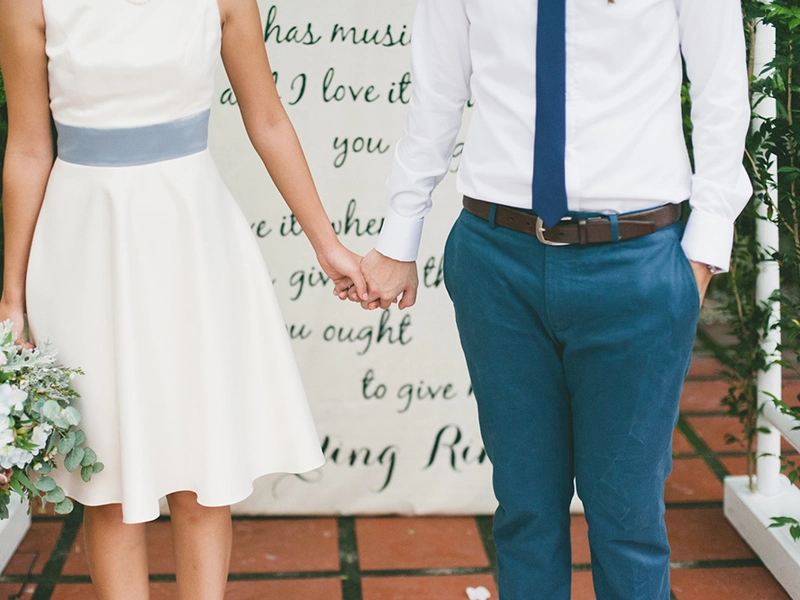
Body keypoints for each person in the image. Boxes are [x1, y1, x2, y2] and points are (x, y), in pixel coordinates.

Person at [349, 0, 752, 598]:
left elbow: (721, 88)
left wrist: (702, 250)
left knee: (628, 513)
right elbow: (436, 91)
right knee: (525, 506)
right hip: (497, 260)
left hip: (635, 262)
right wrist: (399, 236)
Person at [0, 0, 365, 598]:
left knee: (202, 477)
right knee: (109, 484)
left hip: (193, 245)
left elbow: (268, 119)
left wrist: (326, 245)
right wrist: (12, 298)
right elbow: (27, 148)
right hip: (83, 251)